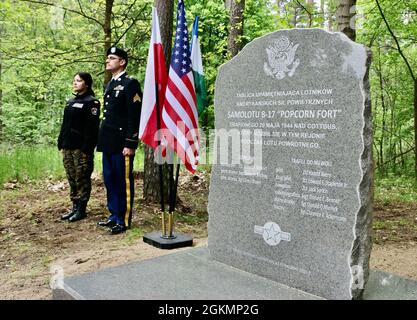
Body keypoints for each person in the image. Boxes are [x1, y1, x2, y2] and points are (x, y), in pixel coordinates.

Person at [96, 47, 142, 234]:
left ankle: (123, 219)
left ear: (122, 62)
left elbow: (134, 115)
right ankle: (113, 214)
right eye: (107, 57)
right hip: (108, 141)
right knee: (109, 179)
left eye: (112, 58)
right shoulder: (111, 84)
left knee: (122, 181)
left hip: (122, 143)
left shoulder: (130, 83)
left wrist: (130, 143)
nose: (108, 61)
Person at [58, 72, 101, 222]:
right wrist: (60, 141)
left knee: (81, 178)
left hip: (81, 148)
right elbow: (65, 124)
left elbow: (92, 127)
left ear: (87, 84)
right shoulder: (70, 101)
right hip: (68, 146)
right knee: (71, 178)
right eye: (74, 80)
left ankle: (82, 209)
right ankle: (74, 207)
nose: (75, 83)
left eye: (79, 81)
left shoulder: (92, 102)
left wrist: (87, 147)